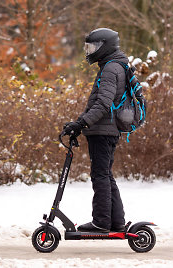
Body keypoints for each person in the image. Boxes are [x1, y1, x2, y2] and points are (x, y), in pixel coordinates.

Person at [62, 28, 128, 233]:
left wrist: (81, 124)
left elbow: (103, 104)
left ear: (104, 46)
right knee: (106, 175)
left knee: (100, 176)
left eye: (92, 47)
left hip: (103, 130)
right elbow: (99, 103)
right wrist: (80, 122)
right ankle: (116, 222)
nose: (89, 52)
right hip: (105, 129)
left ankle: (101, 222)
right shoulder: (114, 66)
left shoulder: (110, 68)